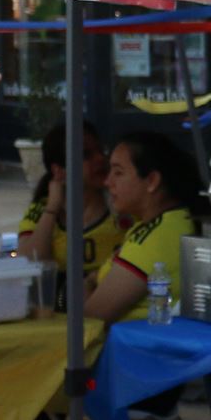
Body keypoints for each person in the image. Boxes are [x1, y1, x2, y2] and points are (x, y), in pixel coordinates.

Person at [83, 130, 202, 321]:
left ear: (152, 181)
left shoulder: (159, 236)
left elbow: (90, 317)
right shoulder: (162, 223)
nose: (107, 182)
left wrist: (88, 284)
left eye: (118, 173)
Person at [21, 120, 122, 282]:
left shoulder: (120, 203)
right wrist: (52, 208)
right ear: (59, 170)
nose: (100, 159)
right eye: (86, 155)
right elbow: (30, 263)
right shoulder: (42, 208)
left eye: (101, 150)